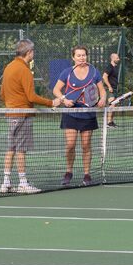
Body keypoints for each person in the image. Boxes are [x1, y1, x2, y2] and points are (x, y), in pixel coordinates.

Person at [0, 39, 66, 194]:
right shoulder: (24, 70)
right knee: (21, 150)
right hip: (22, 115)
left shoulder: (8, 67)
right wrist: (52, 102)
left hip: (11, 114)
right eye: (33, 51)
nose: (33, 54)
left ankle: (6, 182)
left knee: (11, 149)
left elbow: (3, 93)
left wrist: (13, 104)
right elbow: (31, 96)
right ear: (28, 52)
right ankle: (23, 183)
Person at [52, 45, 106, 186]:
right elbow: (56, 90)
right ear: (73, 57)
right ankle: (68, 172)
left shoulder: (94, 72)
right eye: (79, 55)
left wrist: (102, 99)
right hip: (71, 114)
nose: (82, 58)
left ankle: (87, 174)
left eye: (84, 55)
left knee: (86, 145)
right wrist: (64, 99)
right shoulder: (67, 72)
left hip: (88, 113)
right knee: (70, 145)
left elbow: (102, 91)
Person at [102, 53, 121, 128]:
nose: (118, 59)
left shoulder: (116, 67)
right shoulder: (109, 67)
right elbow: (104, 76)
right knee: (112, 104)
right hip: (109, 89)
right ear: (113, 58)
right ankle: (108, 122)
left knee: (114, 105)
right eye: (117, 58)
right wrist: (109, 86)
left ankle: (111, 121)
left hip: (114, 89)